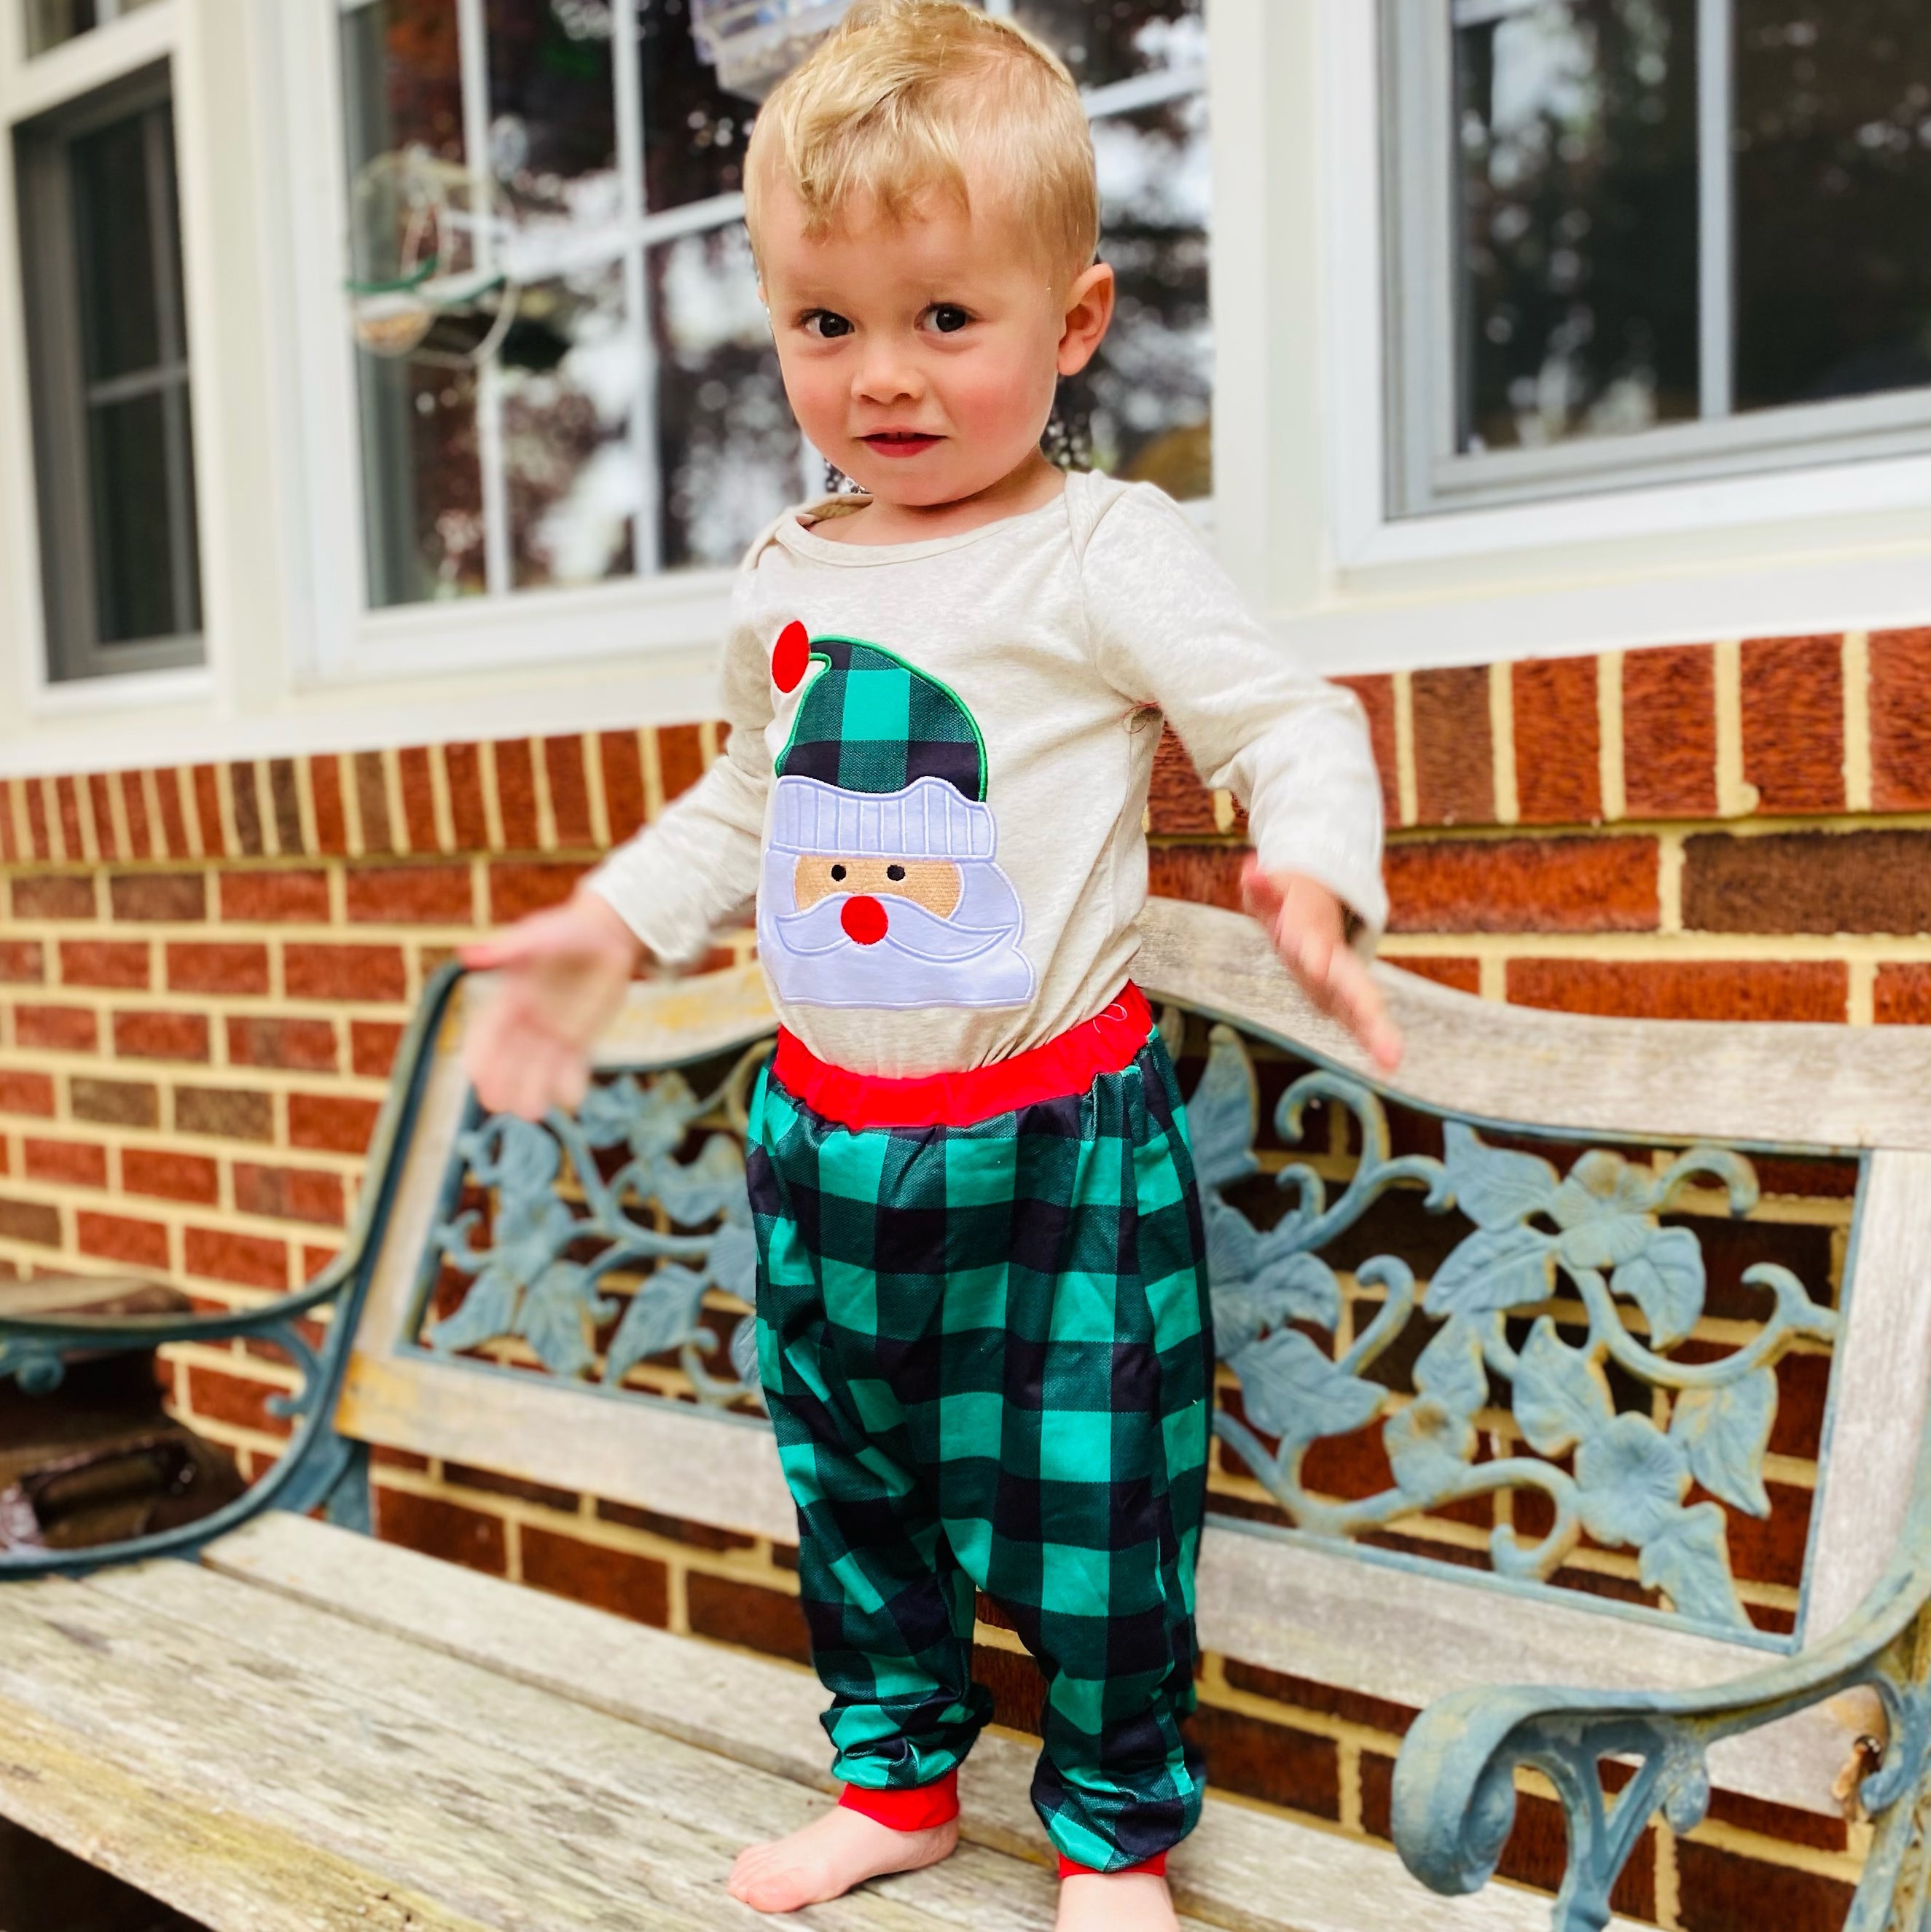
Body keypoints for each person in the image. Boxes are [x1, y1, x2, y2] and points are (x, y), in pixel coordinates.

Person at [463, 4, 1398, 1925]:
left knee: (1090, 1503)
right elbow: (747, 800)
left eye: (943, 320)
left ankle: (1110, 1833)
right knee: (857, 1488)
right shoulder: (792, 572)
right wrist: (611, 917)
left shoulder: (1096, 553)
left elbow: (1287, 724)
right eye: (826, 324)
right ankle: (892, 1780)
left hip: (1055, 1138)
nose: (881, 377)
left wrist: (1310, 866)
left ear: (1069, 323)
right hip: (824, 1139)